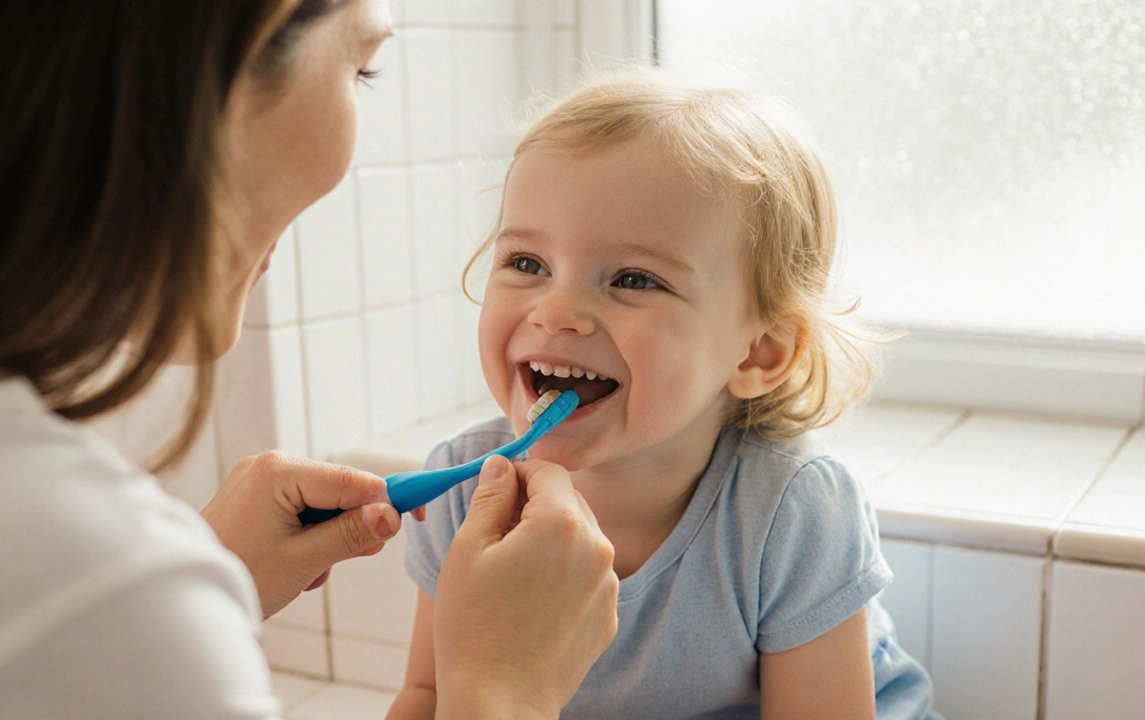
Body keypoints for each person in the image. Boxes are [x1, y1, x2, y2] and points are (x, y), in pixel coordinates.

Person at [0, 1, 618, 719]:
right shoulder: (91, 597)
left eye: (633, 279)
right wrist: (503, 694)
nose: (557, 313)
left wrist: (204, 575)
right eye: (361, 68)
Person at [389, 72, 940, 720]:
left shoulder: (789, 511)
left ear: (757, 352)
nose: (557, 310)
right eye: (527, 263)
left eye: (633, 279)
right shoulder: (463, 495)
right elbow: (430, 697)